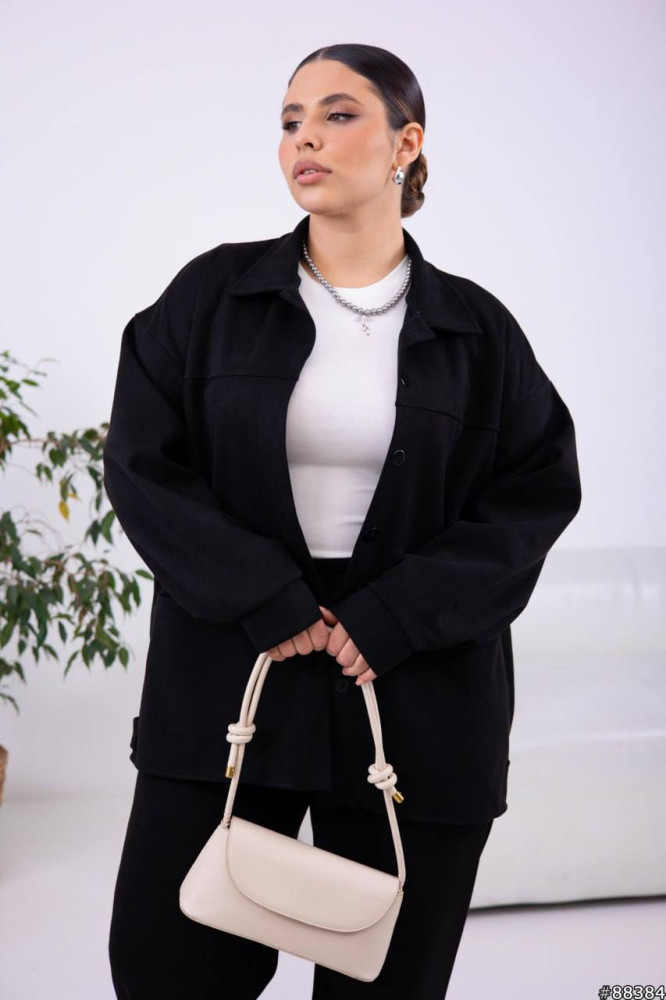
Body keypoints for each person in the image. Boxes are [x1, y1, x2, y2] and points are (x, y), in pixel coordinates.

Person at [106, 43, 582, 998]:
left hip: (418, 692)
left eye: (337, 114)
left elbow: (535, 494)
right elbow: (142, 465)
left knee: (388, 981)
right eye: (290, 121)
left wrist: (397, 615)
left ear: (407, 143)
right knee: (168, 968)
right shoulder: (211, 297)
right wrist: (264, 597)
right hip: (232, 674)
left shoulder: (479, 331)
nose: (305, 139)